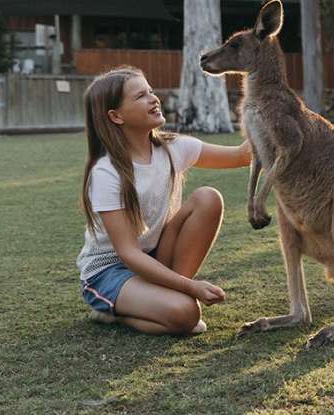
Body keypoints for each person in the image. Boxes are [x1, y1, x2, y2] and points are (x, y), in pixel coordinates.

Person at [77, 66, 251, 336]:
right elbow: (128, 253)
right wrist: (190, 288)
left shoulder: (174, 148)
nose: (153, 98)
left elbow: (242, 156)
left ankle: (165, 297)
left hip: (155, 256)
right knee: (186, 314)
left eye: (151, 91)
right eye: (140, 96)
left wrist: (274, 112)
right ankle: (114, 311)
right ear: (116, 116)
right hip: (110, 271)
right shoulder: (106, 173)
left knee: (208, 198)